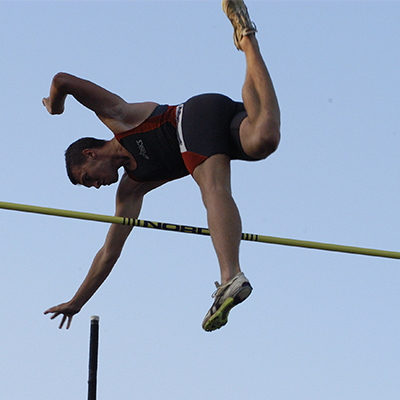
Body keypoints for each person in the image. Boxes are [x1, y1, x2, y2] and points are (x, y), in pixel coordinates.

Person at [43, 0, 280, 332]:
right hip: (217, 122)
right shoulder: (132, 188)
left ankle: (230, 276)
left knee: (212, 187)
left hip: (192, 119)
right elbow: (109, 252)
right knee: (264, 139)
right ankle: (247, 39)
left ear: (90, 154)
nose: (94, 186)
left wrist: (55, 106)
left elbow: (62, 80)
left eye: (87, 180)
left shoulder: (118, 118)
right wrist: (77, 301)